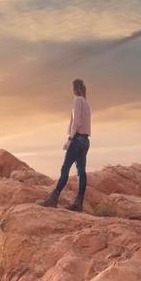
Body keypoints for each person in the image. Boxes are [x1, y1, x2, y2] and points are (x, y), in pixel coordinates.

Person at [38, 79, 91, 211]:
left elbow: (77, 122)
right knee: (81, 172)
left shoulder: (77, 100)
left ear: (75, 89)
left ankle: (53, 199)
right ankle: (78, 203)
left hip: (77, 140)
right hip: (85, 141)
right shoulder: (87, 103)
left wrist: (70, 139)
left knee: (65, 169)